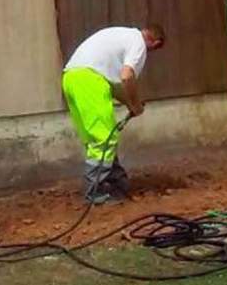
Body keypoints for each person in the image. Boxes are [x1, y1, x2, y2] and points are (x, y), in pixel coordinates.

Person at [61, 23, 166, 204]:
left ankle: (116, 182)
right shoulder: (138, 42)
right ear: (154, 43)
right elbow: (126, 76)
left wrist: (131, 105)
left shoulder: (120, 35)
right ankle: (94, 193)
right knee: (104, 139)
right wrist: (134, 103)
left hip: (71, 79)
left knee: (98, 138)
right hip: (90, 82)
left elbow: (116, 85)